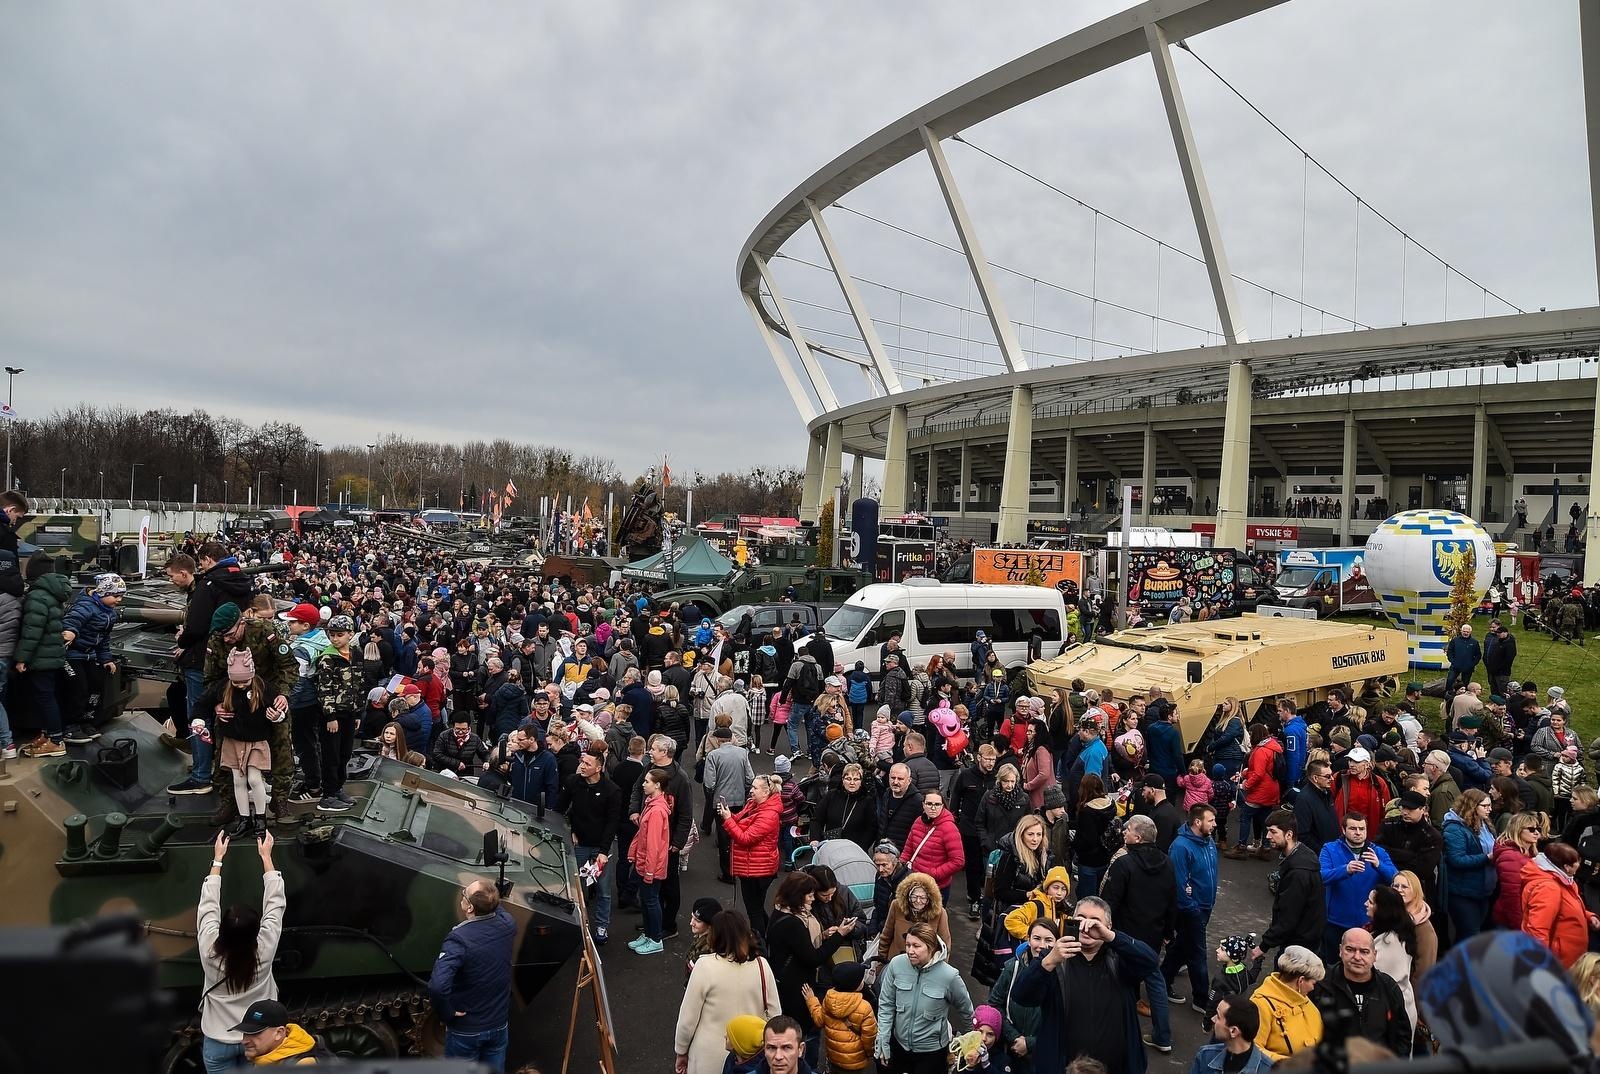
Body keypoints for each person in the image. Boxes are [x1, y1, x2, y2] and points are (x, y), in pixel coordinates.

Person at [1010, 896, 1160, 1074]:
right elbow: (1022, 996)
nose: (1087, 926)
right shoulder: (1055, 957)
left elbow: (1150, 962)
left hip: (1117, 1067)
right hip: (1063, 1066)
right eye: (1080, 918)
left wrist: (1112, 938)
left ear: (1108, 927)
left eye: (1096, 921)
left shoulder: (1118, 958)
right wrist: (1048, 962)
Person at [198, 831, 285, 1074]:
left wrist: (218, 860)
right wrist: (266, 858)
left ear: (222, 931)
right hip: (258, 1039)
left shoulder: (208, 950)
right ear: (255, 931)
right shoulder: (265, 948)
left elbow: (208, 908)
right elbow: (275, 905)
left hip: (218, 1042)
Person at [1100, 814, 1177, 1055]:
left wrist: (1102, 930)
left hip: (1124, 936)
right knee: (1154, 981)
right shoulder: (1167, 862)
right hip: (1152, 936)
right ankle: (1163, 1035)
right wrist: (1168, 932)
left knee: (1119, 983)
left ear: (1139, 836)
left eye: (1128, 829)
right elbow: (1172, 900)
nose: (1124, 832)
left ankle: (1116, 1035)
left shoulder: (1123, 864)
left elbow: (1109, 902)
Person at [673, 911, 780, 1074]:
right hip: (749, 1054)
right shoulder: (761, 965)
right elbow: (775, 1014)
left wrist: (681, 1051)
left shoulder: (705, 966)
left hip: (708, 1055)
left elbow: (688, 1018)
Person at [766, 871, 854, 1062]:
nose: (813, 899)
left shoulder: (781, 911)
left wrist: (822, 937)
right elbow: (813, 958)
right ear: (799, 895)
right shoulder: (794, 923)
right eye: (810, 895)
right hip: (797, 987)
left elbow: (798, 946)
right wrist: (840, 935)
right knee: (804, 1032)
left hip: (785, 981)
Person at [429, 878, 516, 1069]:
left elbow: (437, 986)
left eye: (464, 894)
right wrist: (491, 894)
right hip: (498, 1023)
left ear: (469, 908)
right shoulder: (507, 924)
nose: (462, 894)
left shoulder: (459, 939)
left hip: (467, 1030)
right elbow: (496, 909)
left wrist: (447, 1014)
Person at [874, 922, 974, 1074]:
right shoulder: (896, 964)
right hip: (899, 1046)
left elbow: (966, 1011)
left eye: (916, 946)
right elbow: (886, 1004)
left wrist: (970, 1045)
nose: (910, 951)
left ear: (931, 947)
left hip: (932, 1053)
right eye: (908, 945)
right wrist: (883, 1039)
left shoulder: (949, 976)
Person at [210, 645, 278, 838]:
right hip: (233, 740)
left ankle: (260, 819)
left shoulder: (262, 687)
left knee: (255, 779)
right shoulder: (225, 687)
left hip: (257, 741)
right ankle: (244, 820)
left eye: (244, 681)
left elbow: (277, 706)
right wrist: (207, 714)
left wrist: (277, 714)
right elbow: (203, 702)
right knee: (238, 781)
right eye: (236, 682)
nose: (240, 685)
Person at [1315, 928, 1411, 1056]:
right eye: (1350, 950)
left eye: (1364, 952)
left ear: (1374, 955)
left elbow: (1402, 1035)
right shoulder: (1322, 983)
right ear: (1340, 950)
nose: (1357, 957)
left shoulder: (1388, 987)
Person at [15, 553, 73, 757]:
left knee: (44, 698)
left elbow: (32, 631)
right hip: (52, 654)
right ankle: (48, 734)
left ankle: (56, 740)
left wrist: (22, 658)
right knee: (49, 696)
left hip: (41, 656)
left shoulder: (37, 595)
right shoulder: (54, 592)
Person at [1162, 804, 1219, 1013]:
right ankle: (1201, 999)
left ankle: (1162, 981)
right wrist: (1192, 908)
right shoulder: (1180, 847)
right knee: (1197, 953)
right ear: (1197, 822)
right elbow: (1177, 883)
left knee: (1181, 948)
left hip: (1205, 905)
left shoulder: (1209, 841)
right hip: (1191, 910)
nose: (1214, 824)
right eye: (1210, 820)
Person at [1317, 813, 1395, 960]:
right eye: (1353, 828)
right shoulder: (1329, 849)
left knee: (1361, 965)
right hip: (1336, 922)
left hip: (1368, 924)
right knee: (1332, 964)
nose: (1358, 833)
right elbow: (1320, 876)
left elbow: (1396, 879)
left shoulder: (1378, 852)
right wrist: (1345, 870)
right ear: (1343, 829)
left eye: (1362, 829)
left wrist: (1379, 865)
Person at [565, 745, 622, 945]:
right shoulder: (573, 783)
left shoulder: (612, 791)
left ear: (599, 768)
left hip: (600, 849)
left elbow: (612, 822)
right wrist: (569, 830)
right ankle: (579, 923)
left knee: (604, 891)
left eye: (587, 763)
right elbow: (560, 808)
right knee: (577, 890)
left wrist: (604, 851)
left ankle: (601, 926)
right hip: (579, 846)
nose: (582, 765)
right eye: (582, 762)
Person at [313, 615, 365, 814]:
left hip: (350, 712)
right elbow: (324, 690)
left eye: (339, 635)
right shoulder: (327, 658)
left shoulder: (356, 653)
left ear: (350, 634)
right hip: (333, 714)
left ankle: (338, 787)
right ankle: (328, 795)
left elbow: (360, 684)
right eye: (332, 635)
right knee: (331, 754)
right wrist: (330, 716)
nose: (335, 639)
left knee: (344, 753)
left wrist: (359, 712)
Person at [990, 919, 1055, 1074]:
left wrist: (1030, 1043)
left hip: (1046, 1056)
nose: (1041, 946)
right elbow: (994, 1004)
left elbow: (1067, 1021)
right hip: (1011, 1053)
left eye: (1049, 940)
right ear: (1028, 939)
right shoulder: (1013, 967)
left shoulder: (1062, 975)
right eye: (1037, 938)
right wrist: (1014, 1037)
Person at [721, 774, 783, 935]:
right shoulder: (753, 804)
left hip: (758, 870)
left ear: (766, 792)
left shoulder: (769, 815)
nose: (751, 791)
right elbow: (741, 822)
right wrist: (729, 816)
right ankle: (770, 936)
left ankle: (760, 945)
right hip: (752, 866)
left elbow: (746, 838)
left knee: (753, 911)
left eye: (755, 788)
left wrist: (728, 820)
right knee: (756, 908)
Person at [1521, 840, 1597, 967]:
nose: (1578, 867)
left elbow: (1567, 907)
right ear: (1566, 867)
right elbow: (1537, 928)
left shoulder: (1562, 879)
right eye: (1576, 864)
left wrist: (1588, 916)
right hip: (1559, 960)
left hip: (1568, 956)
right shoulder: (1548, 888)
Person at [1247, 946, 1324, 1062]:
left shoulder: (1303, 999)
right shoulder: (1261, 1004)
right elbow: (1251, 1050)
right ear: (1301, 981)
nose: (1313, 988)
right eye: (1313, 983)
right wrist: (1290, 1063)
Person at [1365, 886, 1419, 1052]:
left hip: (1393, 1015)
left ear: (1382, 909)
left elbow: (1375, 979)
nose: (1365, 903)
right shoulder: (1388, 934)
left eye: (1371, 902)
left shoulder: (1391, 943)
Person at [1441, 787, 1497, 941]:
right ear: (1472, 806)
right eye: (1485, 806)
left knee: (1471, 933)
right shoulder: (1455, 828)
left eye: (1489, 805)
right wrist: (1487, 857)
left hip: (1483, 889)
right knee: (1470, 934)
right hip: (1462, 891)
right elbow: (1457, 859)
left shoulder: (1485, 824)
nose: (1489, 809)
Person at [629, 767, 675, 954]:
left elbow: (654, 844)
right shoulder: (652, 804)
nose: (643, 784)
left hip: (650, 866)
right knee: (648, 900)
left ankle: (655, 939)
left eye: (647, 781)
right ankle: (649, 934)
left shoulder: (656, 811)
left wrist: (649, 871)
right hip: (645, 863)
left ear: (657, 785)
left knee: (651, 901)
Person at [803, 962, 877, 1074]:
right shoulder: (864, 1007)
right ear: (855, 985)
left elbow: (819, 1021)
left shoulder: (828, 1001)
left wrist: (811, 1000)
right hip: (857, 1062)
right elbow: (869, 1039)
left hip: (834, 1059)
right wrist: (870, 1055)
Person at [874, 872, 952, 968]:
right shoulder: (896, 906)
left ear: (930, 898)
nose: (918, 901)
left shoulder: (940, 913)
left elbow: (945, 945)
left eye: (923, 898)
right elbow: (886, 936)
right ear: (907, 895)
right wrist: (881, 963)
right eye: (914, 897)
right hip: (895, 963)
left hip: (926, 966)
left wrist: (940, 968)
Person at [899, 789, 964, 902]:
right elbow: (908, 849)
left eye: (937, 804)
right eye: (929, 804)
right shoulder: (918, 821)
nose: (933, 808)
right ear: (923, 805)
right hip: (914, 881)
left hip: (936, 887)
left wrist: (933, 873)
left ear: (942, 805)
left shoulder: (949, 828)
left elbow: (958, 861)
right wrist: (901, 867)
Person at [232, 999, 333, 1065]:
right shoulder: (263, 1056)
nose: (244, 1041)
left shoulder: (302, 1065)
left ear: (279, 1033)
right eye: (245, 1033)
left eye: (254, 1033)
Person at [1187, 998, 1274, 1074]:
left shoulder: (1270, 1070)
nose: (1213, 1019)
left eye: (1218, 1016)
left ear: (1233, 1031)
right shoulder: (1204, 1055)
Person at [1491, 812, 1544, 929]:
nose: (1536, 832)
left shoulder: (1528, 853)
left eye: (1538, 829)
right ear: (1518, 830)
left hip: (1524, 916)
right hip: (1511, 920)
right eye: (1531, 829)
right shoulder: (1511, 857)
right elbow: (1512, 896)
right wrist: (1519, 926)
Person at [1072, 773, 1117, 898]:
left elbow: (1086, 840)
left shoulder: (1086, 812)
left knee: (1087, 898)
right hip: (1106, 856)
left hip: (1089, 861)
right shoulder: (1111, 805)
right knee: (1101, 894)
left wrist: (1074, 845)